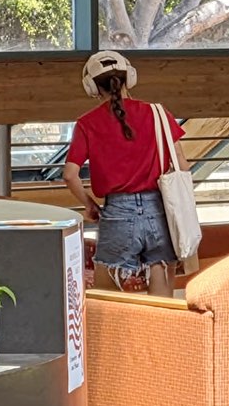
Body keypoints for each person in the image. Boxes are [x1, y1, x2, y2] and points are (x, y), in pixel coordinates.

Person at [62, 49, 184, 293]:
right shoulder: (157, 113)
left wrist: (90, 205)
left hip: (117, 212)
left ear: (92, 87)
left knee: (107, 297)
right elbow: (182, 162)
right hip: (159, 209)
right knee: (160, 275)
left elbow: (69, 174)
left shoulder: (87, 123)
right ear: (130, 77)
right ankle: (161, 332)